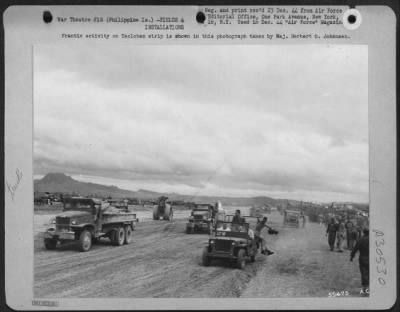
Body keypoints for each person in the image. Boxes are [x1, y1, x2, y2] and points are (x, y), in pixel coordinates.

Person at [350, 228, 369, 294]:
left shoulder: (361, 240)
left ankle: (366, 288)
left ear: (363, 232)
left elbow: (355, 249)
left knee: (364, 273)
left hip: (363, 258)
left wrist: (352, 256)